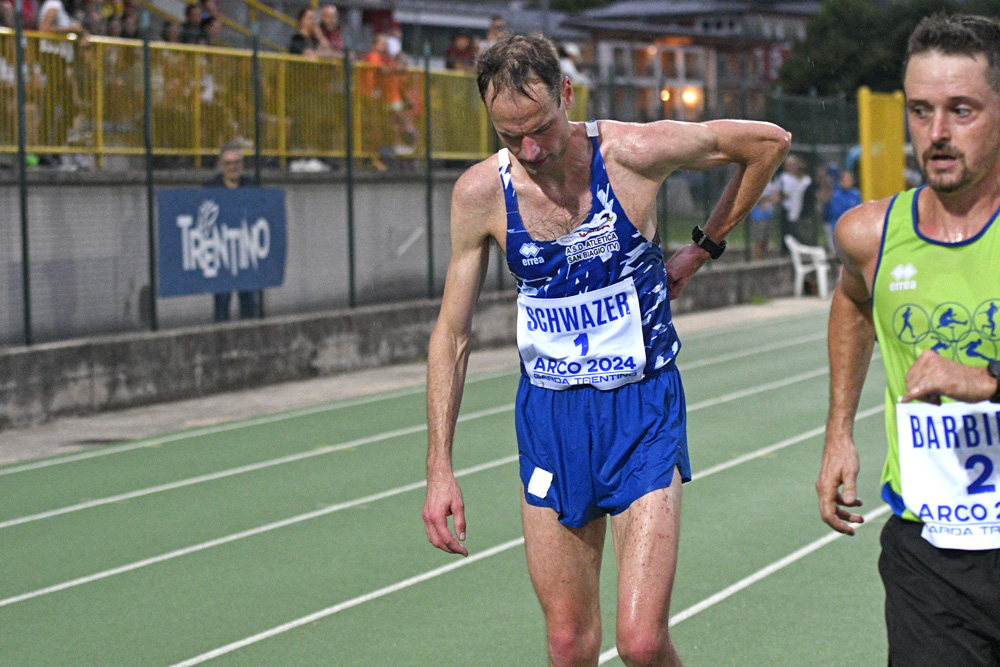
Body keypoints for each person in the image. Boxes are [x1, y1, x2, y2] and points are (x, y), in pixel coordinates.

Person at [422, 33, 789, 666]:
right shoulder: (481, 194)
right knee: (569, 645)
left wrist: (703, 247)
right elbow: (451, 334)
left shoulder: (633, 153)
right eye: (510, 137)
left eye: (539, 128)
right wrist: (439, 468)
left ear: (567, 93)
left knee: (642, 644)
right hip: (550, 421)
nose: (529, 151)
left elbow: (768, 143)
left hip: (641, 410)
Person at [817, 14, 1000, 666]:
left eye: (962, 109)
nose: (939, 133)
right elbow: (852, 299)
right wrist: (840, 426)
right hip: (932, 549)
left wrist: (987, 380)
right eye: (921, 111)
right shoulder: (870, 233)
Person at [204, 144, 258, 321]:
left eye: (236, 162)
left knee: (249, 304)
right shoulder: (210, 188)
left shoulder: (252, 186)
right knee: (221, 304)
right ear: (221, 164)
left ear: (242, 164)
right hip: (221, 257)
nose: (233, 167)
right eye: (228, 163)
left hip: (246, 255)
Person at [775, 153, 812, 247]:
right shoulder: (783, 178)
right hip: (787, 210)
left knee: (800, 234)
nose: (791, 167)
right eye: (788, 165)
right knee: (787, 234)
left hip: (800, 210)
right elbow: (778, 193)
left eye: (793, 165)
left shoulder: (804, 179)